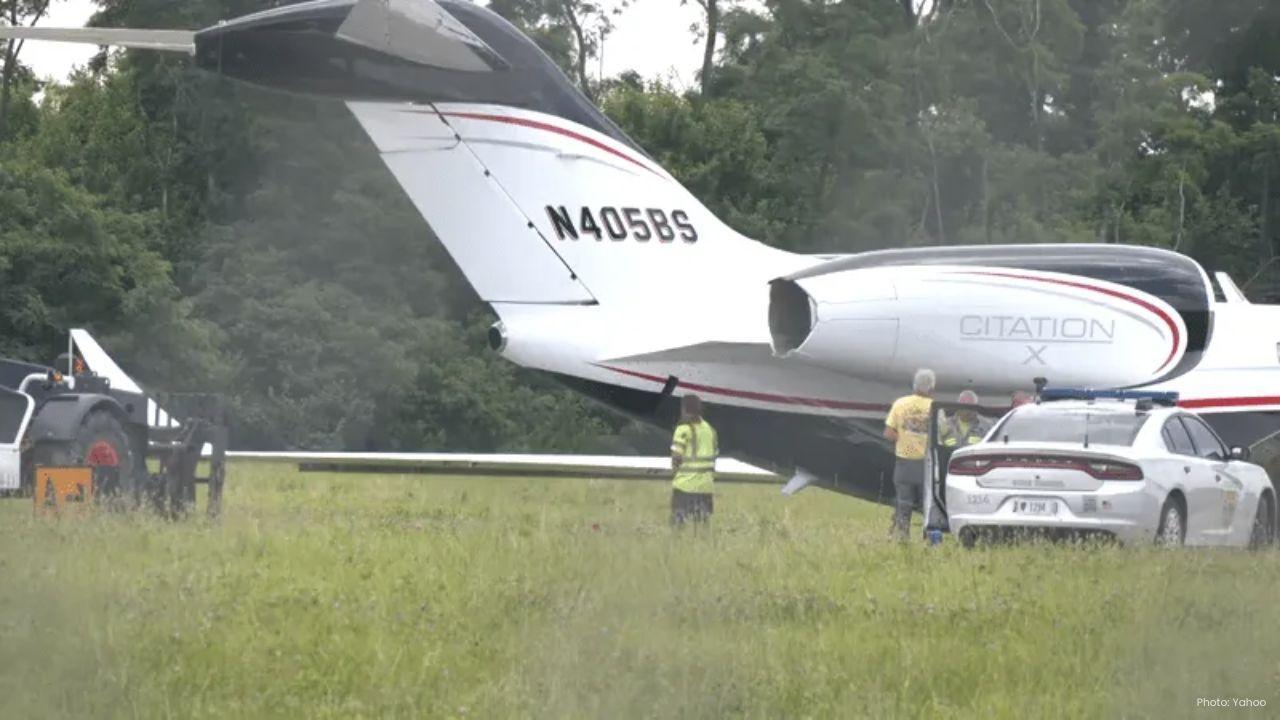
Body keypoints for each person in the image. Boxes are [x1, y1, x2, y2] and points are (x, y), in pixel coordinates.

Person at [884, 368, 935, 540]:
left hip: (904, 464)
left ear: (914, 385)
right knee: (927, 505)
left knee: (903, 503)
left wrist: (905, 438)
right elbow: (942, 434)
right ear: (931, 388)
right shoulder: (934, 408)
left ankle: (902, 536)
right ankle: (928, 538)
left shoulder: (900, 404)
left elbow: (888, 433)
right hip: (925, 466)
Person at [670, 394, 718, 526]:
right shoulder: (710, 430)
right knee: (703, 525)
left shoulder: (683, 429)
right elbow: (714, 455)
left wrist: (674, 472)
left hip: (685, 486)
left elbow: (676, 458)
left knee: (678, 525)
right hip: (706, 486)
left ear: (684, 409)